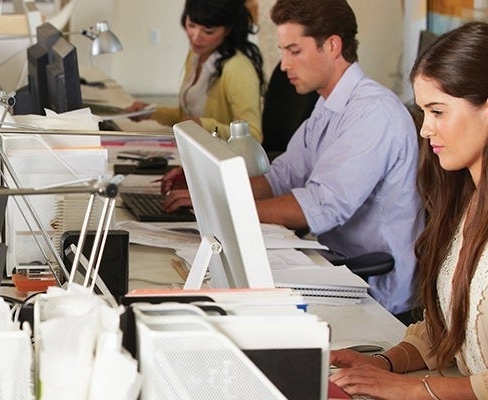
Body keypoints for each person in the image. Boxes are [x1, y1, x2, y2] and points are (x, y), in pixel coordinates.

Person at [160, 0, 422, 317]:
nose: (284, 65)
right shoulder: (328, 106)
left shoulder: (372, 113)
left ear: (333, 46)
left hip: (372, 287)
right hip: (332, 265)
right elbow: (281, 176)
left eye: (294, 51)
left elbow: (321, 206)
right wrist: (209, 192)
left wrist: (228, 211)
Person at [330, 21, 488, 399]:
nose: (425, 129)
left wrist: (416, 389)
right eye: (424, 112)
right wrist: (386, 363)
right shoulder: (474, 198)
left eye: (437, 111)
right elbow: (453, 326)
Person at [128, 0, 264, 141]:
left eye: (208, 31)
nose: (196, 37)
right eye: (191, 25)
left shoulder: (238, 69)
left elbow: (253, 135)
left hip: (222, 157)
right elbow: (186, 117)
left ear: (227, 30)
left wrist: (204, 125)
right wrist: (151, 112)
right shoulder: (196, 55)